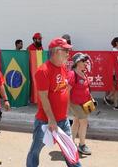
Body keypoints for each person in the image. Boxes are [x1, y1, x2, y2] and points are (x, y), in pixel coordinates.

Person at [26, 37, 82, 167]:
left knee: (70, 150)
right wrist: (51, 119)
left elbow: (63, 90)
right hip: (45, 121)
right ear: (56, 51)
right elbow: (43, 98)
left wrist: (67, 111)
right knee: (35, 150)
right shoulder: (43, 71)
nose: (69, 54)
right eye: (66, 51)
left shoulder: (62, 67)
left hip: (63, 119)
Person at [68, 52, 92, 155]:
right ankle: (82, 145)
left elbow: (86, 88)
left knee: (76, 121)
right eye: (83, 61)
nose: (86, 63)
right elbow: (67, 90)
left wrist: (91, 99)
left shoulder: (83, 73)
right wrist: (67, 104)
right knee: (84, 121)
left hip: (85, 102)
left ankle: (70, 143)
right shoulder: (72, 74)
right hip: (75, 103)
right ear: (77, 62)